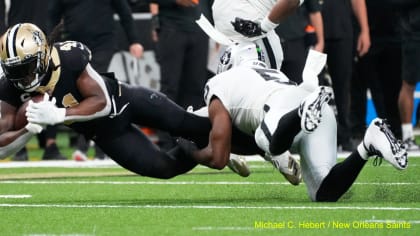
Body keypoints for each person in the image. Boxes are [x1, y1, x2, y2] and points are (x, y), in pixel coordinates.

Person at [0, 23, 264, 179]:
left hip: (125, 100)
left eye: (26, 68)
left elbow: (101, 102)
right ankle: (195, 149)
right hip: (105, 134)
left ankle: (266, 143)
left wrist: (59, 116)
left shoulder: (68, 58)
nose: (21, 77)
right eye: (14, 70)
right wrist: (29, 129)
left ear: (44, 54)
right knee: (164, 168)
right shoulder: (10, 87)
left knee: (189, 124)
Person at [185, 42, 407, 202]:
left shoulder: (219, 84)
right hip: (314, 108)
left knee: (266, 140)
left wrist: (190, 150)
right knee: (324, 193)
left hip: (285, 108)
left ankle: (301, 112)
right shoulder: (270, 72)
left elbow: (218, 152)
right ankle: (367, 145)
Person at [3, 0, 67, 161]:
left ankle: (50, 144)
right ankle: (20, 146)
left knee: (51, 91)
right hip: (15, 44)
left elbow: (57, 9)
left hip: (43, 39)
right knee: (14, 91)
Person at [149, 0, 213, 151]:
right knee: (170, 87)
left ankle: (191, 138)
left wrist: (215, 28)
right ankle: (166, 142)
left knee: (196, 87)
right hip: (172, 27)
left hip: (201, 28)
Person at [321, 0, 370, 151]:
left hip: (340, 27)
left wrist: (364, 30)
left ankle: (345, 135)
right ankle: (314, 135)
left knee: (343, 85)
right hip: (310, 28)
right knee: (311, 85)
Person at [212, 0, 304, 70]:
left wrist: (264, 27)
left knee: (257, 92)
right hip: (225, 40)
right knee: (227, 91)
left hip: (255, 42)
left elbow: (292, 2)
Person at [275, 0, 323, 84]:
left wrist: (320, 42)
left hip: (296, 42)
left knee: (298, 85)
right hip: (269, 42)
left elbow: (314, 11)